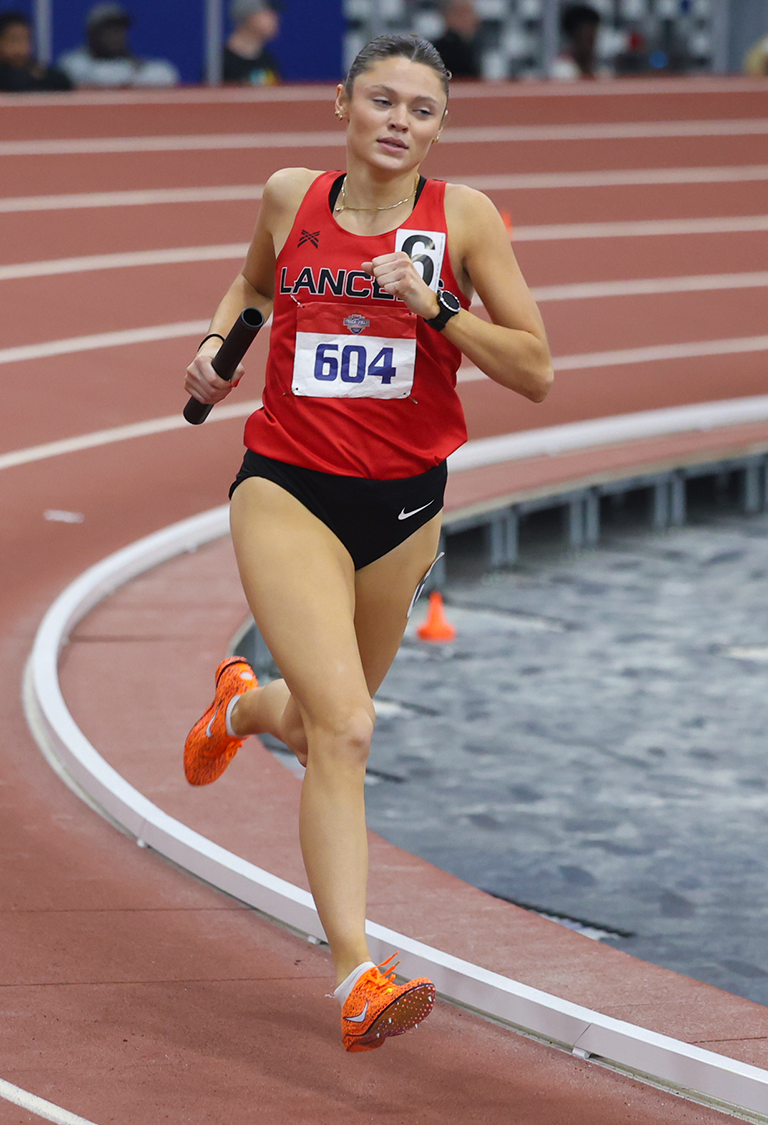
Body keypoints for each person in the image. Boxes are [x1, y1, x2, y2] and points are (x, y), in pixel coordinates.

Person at [179, 33, 551, 1052]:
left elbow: (535, 370)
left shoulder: (461, 219)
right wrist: (217, 355)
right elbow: (254, 289)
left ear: (439, 127)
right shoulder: (288, 196)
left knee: (311, 723)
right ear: (340, 103)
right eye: (380, 100)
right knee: (346, 729)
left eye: (420, 109)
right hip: (286, 486)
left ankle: (241, 702)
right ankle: (354, 972)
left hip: (401, 509)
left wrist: (436, 310)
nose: (398, 121)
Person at [58, 3, 180, 88]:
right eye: (108, 30)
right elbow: (99, 77)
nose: (115, 36)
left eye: (119, 30)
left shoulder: (135, 63)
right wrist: (133, 74)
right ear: (92, 34)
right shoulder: (73, 63)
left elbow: (166, 74)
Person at [0, 11, 73, 92]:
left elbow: (64, 84)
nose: (20, 48)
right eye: (14, 40)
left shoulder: (35, 70)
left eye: (26, 39)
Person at [222, 0, 283, 85]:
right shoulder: (221, 63)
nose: (274, 17)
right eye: (267, 11)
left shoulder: (268, 62)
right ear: (248, 14)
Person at [548, 4, 610, 80]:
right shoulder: (563, 69)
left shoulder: (599, 68)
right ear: (573, 36)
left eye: (594, 36)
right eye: (587, 37)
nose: (591, 42)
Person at [433, 0, 482, 81]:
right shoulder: (457, 53)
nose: (475, 20)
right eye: (467, 13)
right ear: (451, 16)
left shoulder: (470, 49)